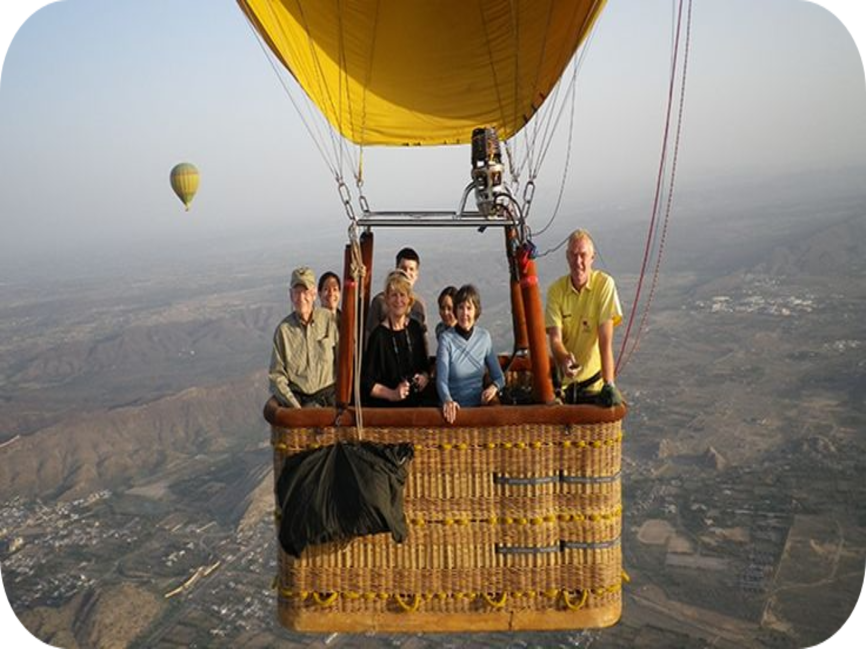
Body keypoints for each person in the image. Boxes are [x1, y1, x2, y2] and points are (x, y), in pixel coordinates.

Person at [545, 229, 624, 406]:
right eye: (573, 255)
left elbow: (605, 340)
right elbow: (555, 339)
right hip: (565, 387)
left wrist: (609, 383)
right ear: (567, 257)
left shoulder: (604, 285)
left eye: (583, 255)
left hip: (594, 386)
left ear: (592, 258)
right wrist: (565, 358)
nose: (578, 261)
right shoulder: (556, 291)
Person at [269, 267, 339, 408]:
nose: (301, 298)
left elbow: (342, 361)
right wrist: (295, 407)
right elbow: (276, 376)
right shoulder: (283, 331)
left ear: (314, 294)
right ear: (290, 295)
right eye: (297, 292)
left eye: (305, 292)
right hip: (300, 404)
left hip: (329, 403)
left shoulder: (328, 321)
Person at [436, 284, 505, 424]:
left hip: (479, 410)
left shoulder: (484, 337)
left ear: (476, 311)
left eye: (469, 308)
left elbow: (499, 377)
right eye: (460, 308)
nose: (464, 313)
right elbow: (441, 380)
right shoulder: (446, 339)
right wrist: (448, 400)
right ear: (455, 311)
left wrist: (493, 388)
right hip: (453, 412)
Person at [362, 270, 430, 407]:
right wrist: (392, 394)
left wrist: (424, 378)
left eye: (402, 295)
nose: (398, 300)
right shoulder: (378, 336)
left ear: (409, 299)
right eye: (393, 295)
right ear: (386, 299)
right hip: (388, 414)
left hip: (416, 409)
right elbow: (367, 384)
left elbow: (425, 366)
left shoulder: (415, 329)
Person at [365, 247, 426, 345]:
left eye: (411, 269)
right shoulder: (380, 302)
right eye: (403, 268)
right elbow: (370, 337)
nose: (407, 273)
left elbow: (423, 340)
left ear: (416, 275)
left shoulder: (419, 305)